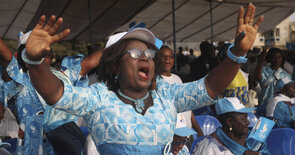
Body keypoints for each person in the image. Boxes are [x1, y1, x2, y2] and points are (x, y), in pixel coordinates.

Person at [24, 3, 263, 154]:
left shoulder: (167, 96)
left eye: (149, 54)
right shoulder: (99, 97)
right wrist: (34, 62)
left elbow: (210, 86)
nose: (146, 59)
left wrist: (238, 53)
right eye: (136, 54)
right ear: (117, 65)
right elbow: (56, 93)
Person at [155, 45, 203, 140]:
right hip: (172, 136)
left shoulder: (177, 78)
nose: (167, 59)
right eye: (163, 56)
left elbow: (187, 107)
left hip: (187, 133)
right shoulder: (155, 81)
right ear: (157, 59)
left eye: (171, 57)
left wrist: (198, 129)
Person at [192, 97, 269, 155]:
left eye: (247, 117)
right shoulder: (209, 148)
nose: (248, 122)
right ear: (230, 121)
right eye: (243, 118)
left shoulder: (254, 140)